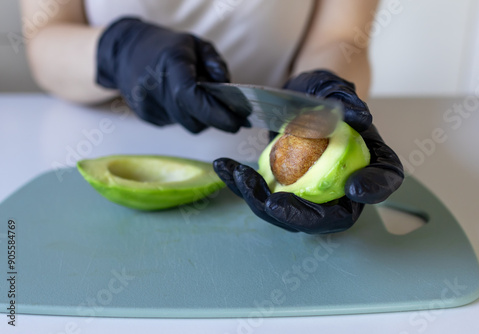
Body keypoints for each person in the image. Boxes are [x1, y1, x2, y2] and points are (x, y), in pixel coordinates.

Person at [21, 0, 404, 234]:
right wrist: (117, 51)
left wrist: (323, 86)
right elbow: (43, 39)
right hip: (89, 136)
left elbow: (342, 34)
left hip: (261, 135)